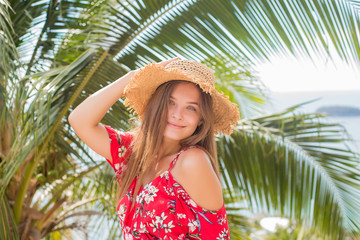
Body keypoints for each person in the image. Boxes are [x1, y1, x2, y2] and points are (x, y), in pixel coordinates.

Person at [68, 57, 240, 239]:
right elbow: (79, 120)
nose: (177, 115)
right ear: (156, 104)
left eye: (191, 108)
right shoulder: (131, 152)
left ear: (201, 119)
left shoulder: (191, 162)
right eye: (170, 102)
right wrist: (132, 77)